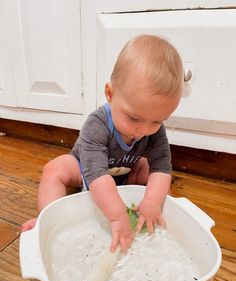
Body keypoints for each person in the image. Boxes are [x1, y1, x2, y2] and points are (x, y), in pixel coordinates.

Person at [22, 34, 183, 252]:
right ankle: (46, 222)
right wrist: (117, 216)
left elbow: (162, 165)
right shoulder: (96, 124)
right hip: (85, 168)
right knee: (54, 170)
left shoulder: (153, 130)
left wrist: (152, 201)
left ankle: (161, 213)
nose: (143, 130)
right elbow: (96, 174)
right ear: (110, 94)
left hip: (124, 171)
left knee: (150, 173)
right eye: (134, 118)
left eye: (157, 121)